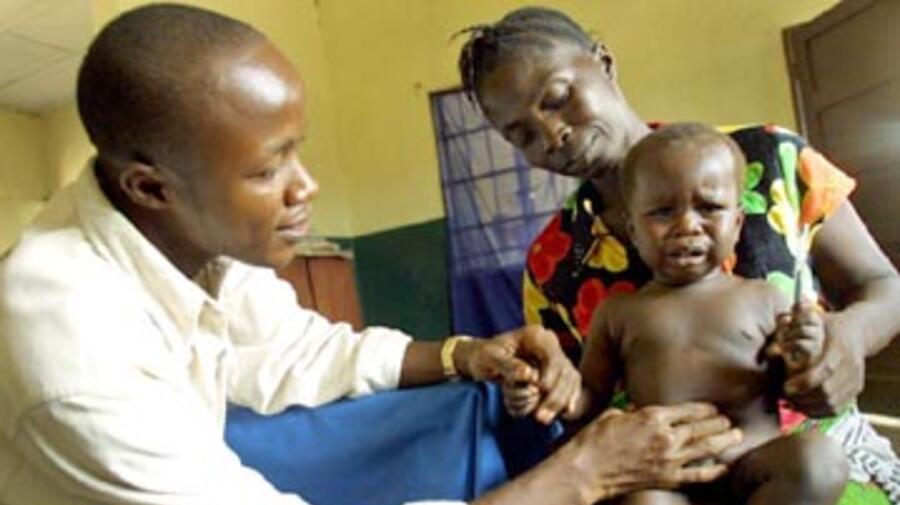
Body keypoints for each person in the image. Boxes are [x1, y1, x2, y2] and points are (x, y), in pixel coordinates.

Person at [0, 4, 744, 505]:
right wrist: (580, 475)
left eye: (297, 151)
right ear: (151, 187)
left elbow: (297, 352)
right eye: (267, 169)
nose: (306, 186)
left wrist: (466, 353)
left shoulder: (194, 239)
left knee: (481, 403)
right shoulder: (71, 351)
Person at [457, 7, 900, 503]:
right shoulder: (554, 260)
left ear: (604, 63)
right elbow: (582, 408)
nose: (551, 134)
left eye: (559, 98)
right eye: (521, 134)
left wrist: (848, 337)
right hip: (668, 481)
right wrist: (543, 390)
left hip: (811, 455)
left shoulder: (770, 160)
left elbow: (884, 286)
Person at [510, 122, 851, 504]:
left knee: (821, 460)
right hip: (670, 480)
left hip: (756, 469)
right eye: (662, 212)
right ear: (633, 231)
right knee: (644, 502)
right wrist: (553, 394)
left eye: (709, 208)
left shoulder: (766, 299)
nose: (687, 225)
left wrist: (804, 350)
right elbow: (591, 397)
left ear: (737, 223)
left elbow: (799, 384)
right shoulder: (619, 313)